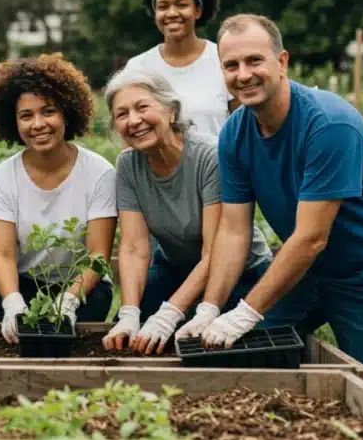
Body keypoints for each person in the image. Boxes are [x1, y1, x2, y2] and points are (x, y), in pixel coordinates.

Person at [187, 13, 363, 397]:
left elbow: (311, 237)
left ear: (282, 62)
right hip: (308, 271)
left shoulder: (328, 124)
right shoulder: (235, 133)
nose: (243, 75)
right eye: (231, 65)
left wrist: (245, 312)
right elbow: (233, 230)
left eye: (254, 60)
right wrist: (210, 308)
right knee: (247, 351)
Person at [99, 67, 273, 354]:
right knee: (130, 337)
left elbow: (214, 251)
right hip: (175, 268)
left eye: (142, 107)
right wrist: (129, 312)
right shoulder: (128, 165)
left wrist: (171, 312)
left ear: (171, 111)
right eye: (122, 114)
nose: (134, 120)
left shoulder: (209, 156)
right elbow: (133, 247)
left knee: (201, 343)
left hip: (239, 273)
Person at [0, 53, 117, 344]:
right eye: (26, 116)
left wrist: (69, 301)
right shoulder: (3, 177)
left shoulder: (99, 172)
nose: (38, 124)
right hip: (22, 283)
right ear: (13, 122)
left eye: (48, 111)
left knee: (76, 344)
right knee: (12, 343)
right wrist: (13, 302)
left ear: (67, 112)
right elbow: (3, 255)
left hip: (82, 286)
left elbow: (97, 256)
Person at [124, 0, 234, 138]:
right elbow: (129, 135)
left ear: (197, 11)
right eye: (163, 6)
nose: (172, 13)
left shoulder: (224, 59)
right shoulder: (137, 68)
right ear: (155, 13)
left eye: (181, 5)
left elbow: (243, 127)